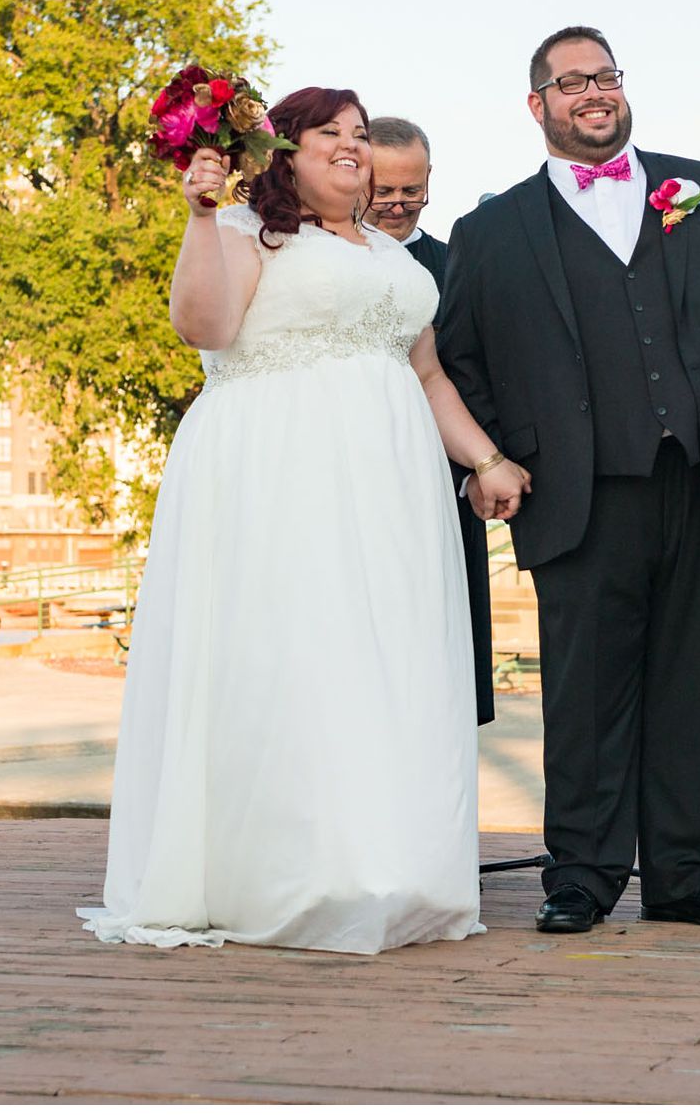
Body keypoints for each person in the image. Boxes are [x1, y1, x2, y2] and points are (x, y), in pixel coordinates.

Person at [80, 87, 526, 954]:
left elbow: (428, 375)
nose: (354, 147)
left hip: (393, 492)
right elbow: (202, 325)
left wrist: (484, 458)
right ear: (284, 150)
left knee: (385, 661)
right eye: (332, 133)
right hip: (279, 469)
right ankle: (294, 871)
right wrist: (200, 217)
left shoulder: (393, 258)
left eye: (362, 135)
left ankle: (393, 869)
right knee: (299, 655)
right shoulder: (251, 231)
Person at [437, 26, 700, 934]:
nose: (592, 93)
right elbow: (457, 355)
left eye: (605, 76)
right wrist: (500, 452)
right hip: (574, 492)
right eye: (570, 83)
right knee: (584, 691)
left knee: (687, 685)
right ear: (539, 106)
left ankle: (684, 875)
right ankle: (583, 876)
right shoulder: (491, 231)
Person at [368, 115, 495, 726]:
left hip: (443, 480)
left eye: (410, 191)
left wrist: (477, 468)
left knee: (442, 651)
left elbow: (475, 376)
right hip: (351, 468)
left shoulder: (458, 264)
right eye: (384, 190)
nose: (397, 205)